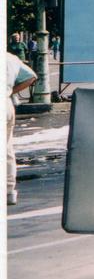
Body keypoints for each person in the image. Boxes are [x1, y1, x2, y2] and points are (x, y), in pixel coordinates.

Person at [7, 52, 37, 205]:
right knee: (7, 148)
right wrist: (11, 91)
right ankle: (9, 190)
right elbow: (31, 76)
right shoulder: (11, 58)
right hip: (7, 104)